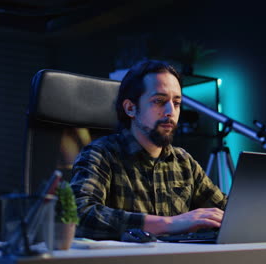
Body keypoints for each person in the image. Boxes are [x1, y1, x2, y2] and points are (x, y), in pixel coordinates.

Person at [70, 60, 227, 240]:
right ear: (130, 108)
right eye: (159, 101)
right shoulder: (100, 154)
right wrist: (169, 223)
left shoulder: (183, 161)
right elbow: (78, 214)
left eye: (176, 103)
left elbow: (228, 210)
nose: (171, 111)